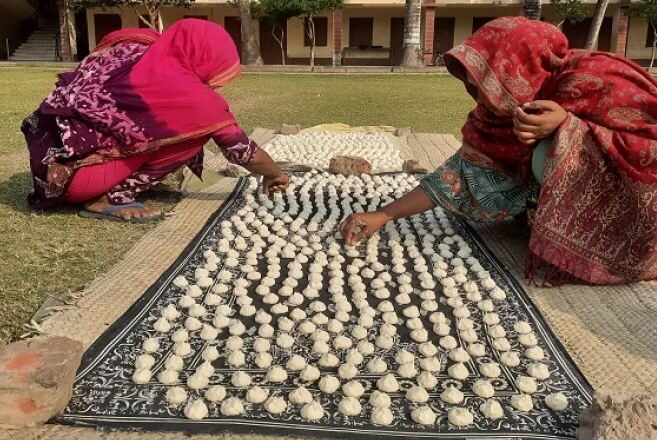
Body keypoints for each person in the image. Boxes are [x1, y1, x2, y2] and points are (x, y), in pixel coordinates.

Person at [341, 17, 657, 285]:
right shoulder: (500, 109)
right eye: (475, 86)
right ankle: (538, 213)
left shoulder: (597, 78)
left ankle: (587, 246)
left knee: (550, 150)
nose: (480, 98)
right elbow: (460, 175)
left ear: (515, 70)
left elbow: (647, 149)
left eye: (484, 85)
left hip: (637, 214)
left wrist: (567, 126)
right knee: (519, 161)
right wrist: (384, 214)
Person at [22, 19, 289, 222]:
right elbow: (243, 152)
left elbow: (116, 36)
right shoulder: (189, 96)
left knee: (158, 128)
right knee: (193, 134)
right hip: (79, 182)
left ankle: (116, 180)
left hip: (50, 170)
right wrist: (275, 174)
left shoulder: (133, 47)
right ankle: (107, 199)